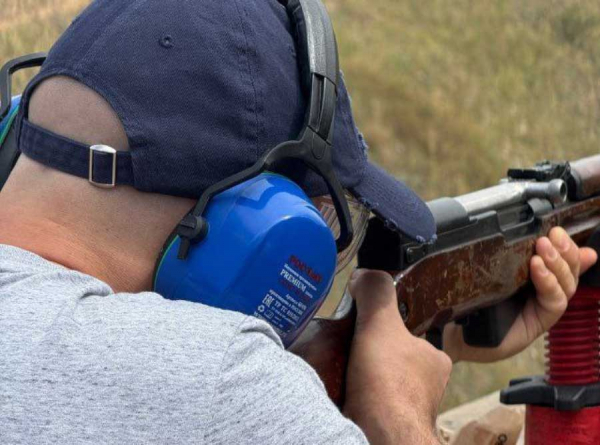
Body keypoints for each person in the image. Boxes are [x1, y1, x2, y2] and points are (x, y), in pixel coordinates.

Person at [0, 1, 596, 444]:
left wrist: (447, 340)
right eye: (324, 218)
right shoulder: (226, 383)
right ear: (244, 232)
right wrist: (399, 415)